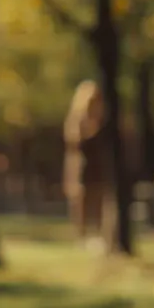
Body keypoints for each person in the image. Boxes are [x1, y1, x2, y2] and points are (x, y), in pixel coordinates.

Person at [62, 80, 112, 250]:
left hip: (99, 167)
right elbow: (72, 148)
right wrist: (70, 174)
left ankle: (98, 236)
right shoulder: (76, 121)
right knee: (80, 201)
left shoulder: (104, 121)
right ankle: (81, 236)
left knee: (99, 201)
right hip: (82, 166)